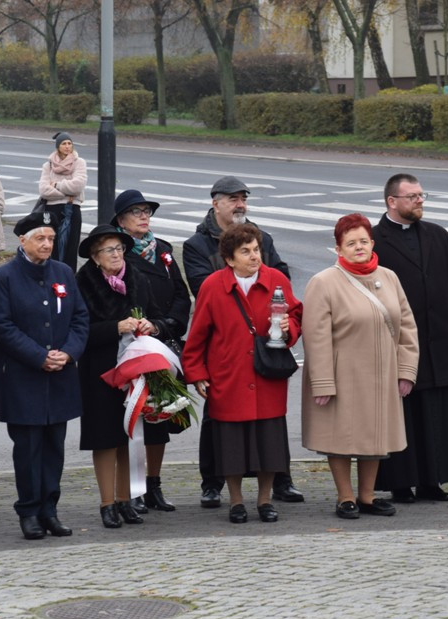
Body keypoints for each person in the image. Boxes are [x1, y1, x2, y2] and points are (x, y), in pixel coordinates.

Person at [182, 175, 301, 509]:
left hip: (266, 369)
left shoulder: (273, 277)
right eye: (246, 252)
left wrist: (288, 329)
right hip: (228, 371)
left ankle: (265, 500)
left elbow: (295, 313)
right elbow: (198, 333)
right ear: (229, 258)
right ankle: (233, 500)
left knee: (269, 441)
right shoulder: (209, 275)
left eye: (257, 250)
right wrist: (197, 372)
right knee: (231, 444)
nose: (255, 256)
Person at [302, 213, 419, 520]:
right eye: (351, 243)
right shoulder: (323, 282)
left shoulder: (389, 277)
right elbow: (316, 337)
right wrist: (323, 382)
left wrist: (406, 371)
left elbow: (407, 327)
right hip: (343, 374)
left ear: (372, 243)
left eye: (363, 241)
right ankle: (345, 497)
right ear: (338, 248)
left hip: (381, 373)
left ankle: (367, 496)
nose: (358, 247)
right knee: (339, 438)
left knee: (374, 436)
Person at [0, 212, 88, 540]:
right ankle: (29, 511)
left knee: (54, 448)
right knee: (28, 449)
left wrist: (69, 352)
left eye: (50, 238)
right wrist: (38, 356)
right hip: (24, 379)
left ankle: (50, 509)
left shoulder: (63, 272)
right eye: (40, 239)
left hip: (59, 377)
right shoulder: (5, 277)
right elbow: (2, 325)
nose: (47, 244)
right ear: (22, 241)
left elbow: (79, 319)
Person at [374, 174, 448, 503]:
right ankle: (401, 483)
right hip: (396, 342)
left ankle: (433, 480)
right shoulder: (374, 240)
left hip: (438, 339)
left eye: (421, 195)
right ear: (392, 202)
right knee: (404, 413)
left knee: (436, 413)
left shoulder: (437, 235)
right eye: (412, 196)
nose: (420, 201)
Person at [77, 223, 170, 529]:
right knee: (104, 437)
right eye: (109, 250)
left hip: (134, 371)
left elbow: (157, 315)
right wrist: (115, 327)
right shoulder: (84, 282)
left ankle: (126, 499)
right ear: (94, 256)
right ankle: (106, 503)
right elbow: (79, 332)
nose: (117, 255)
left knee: (130, 434)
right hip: (100, 371)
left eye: (119, 248)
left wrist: (150, 326)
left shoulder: (137, 277)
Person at [112, 189, 191, 513]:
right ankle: (134, 487)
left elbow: (181, 297)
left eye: (147, 211)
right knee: (135, 418)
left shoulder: (164, 251)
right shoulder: (116, 253)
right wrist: (135, 325)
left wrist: (162, 324)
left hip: (161, 341)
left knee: (161, 418)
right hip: (129, 346)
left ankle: (154, 486)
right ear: (120, 220)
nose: (144, 216)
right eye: (136, 212)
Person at [39, 132, 87, 272]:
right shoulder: (48, 165)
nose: (67, 146)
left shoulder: (79, 162)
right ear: (57, 146)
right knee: (51, 248)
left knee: (70, 249)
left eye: (69, 143)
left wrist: (56, 185)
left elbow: (78, 186)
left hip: (71, 210)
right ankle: (51, 277)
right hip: (51, 211)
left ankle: (69, 279)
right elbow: (43, 190)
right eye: (64, 144)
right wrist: (67, 193)